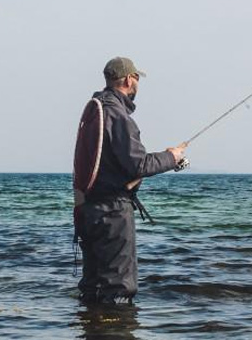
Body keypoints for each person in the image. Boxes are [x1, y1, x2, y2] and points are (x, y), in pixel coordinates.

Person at [73, 57, 186, 305]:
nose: (137, 84)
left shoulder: (97, 109)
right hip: (112, 213)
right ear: (128, 79)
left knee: (93, 286)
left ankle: (92, 338)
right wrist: (172, 157)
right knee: (118, 287)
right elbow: (139, 165)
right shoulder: (117, 115)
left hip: (89, 210)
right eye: (136, 79)